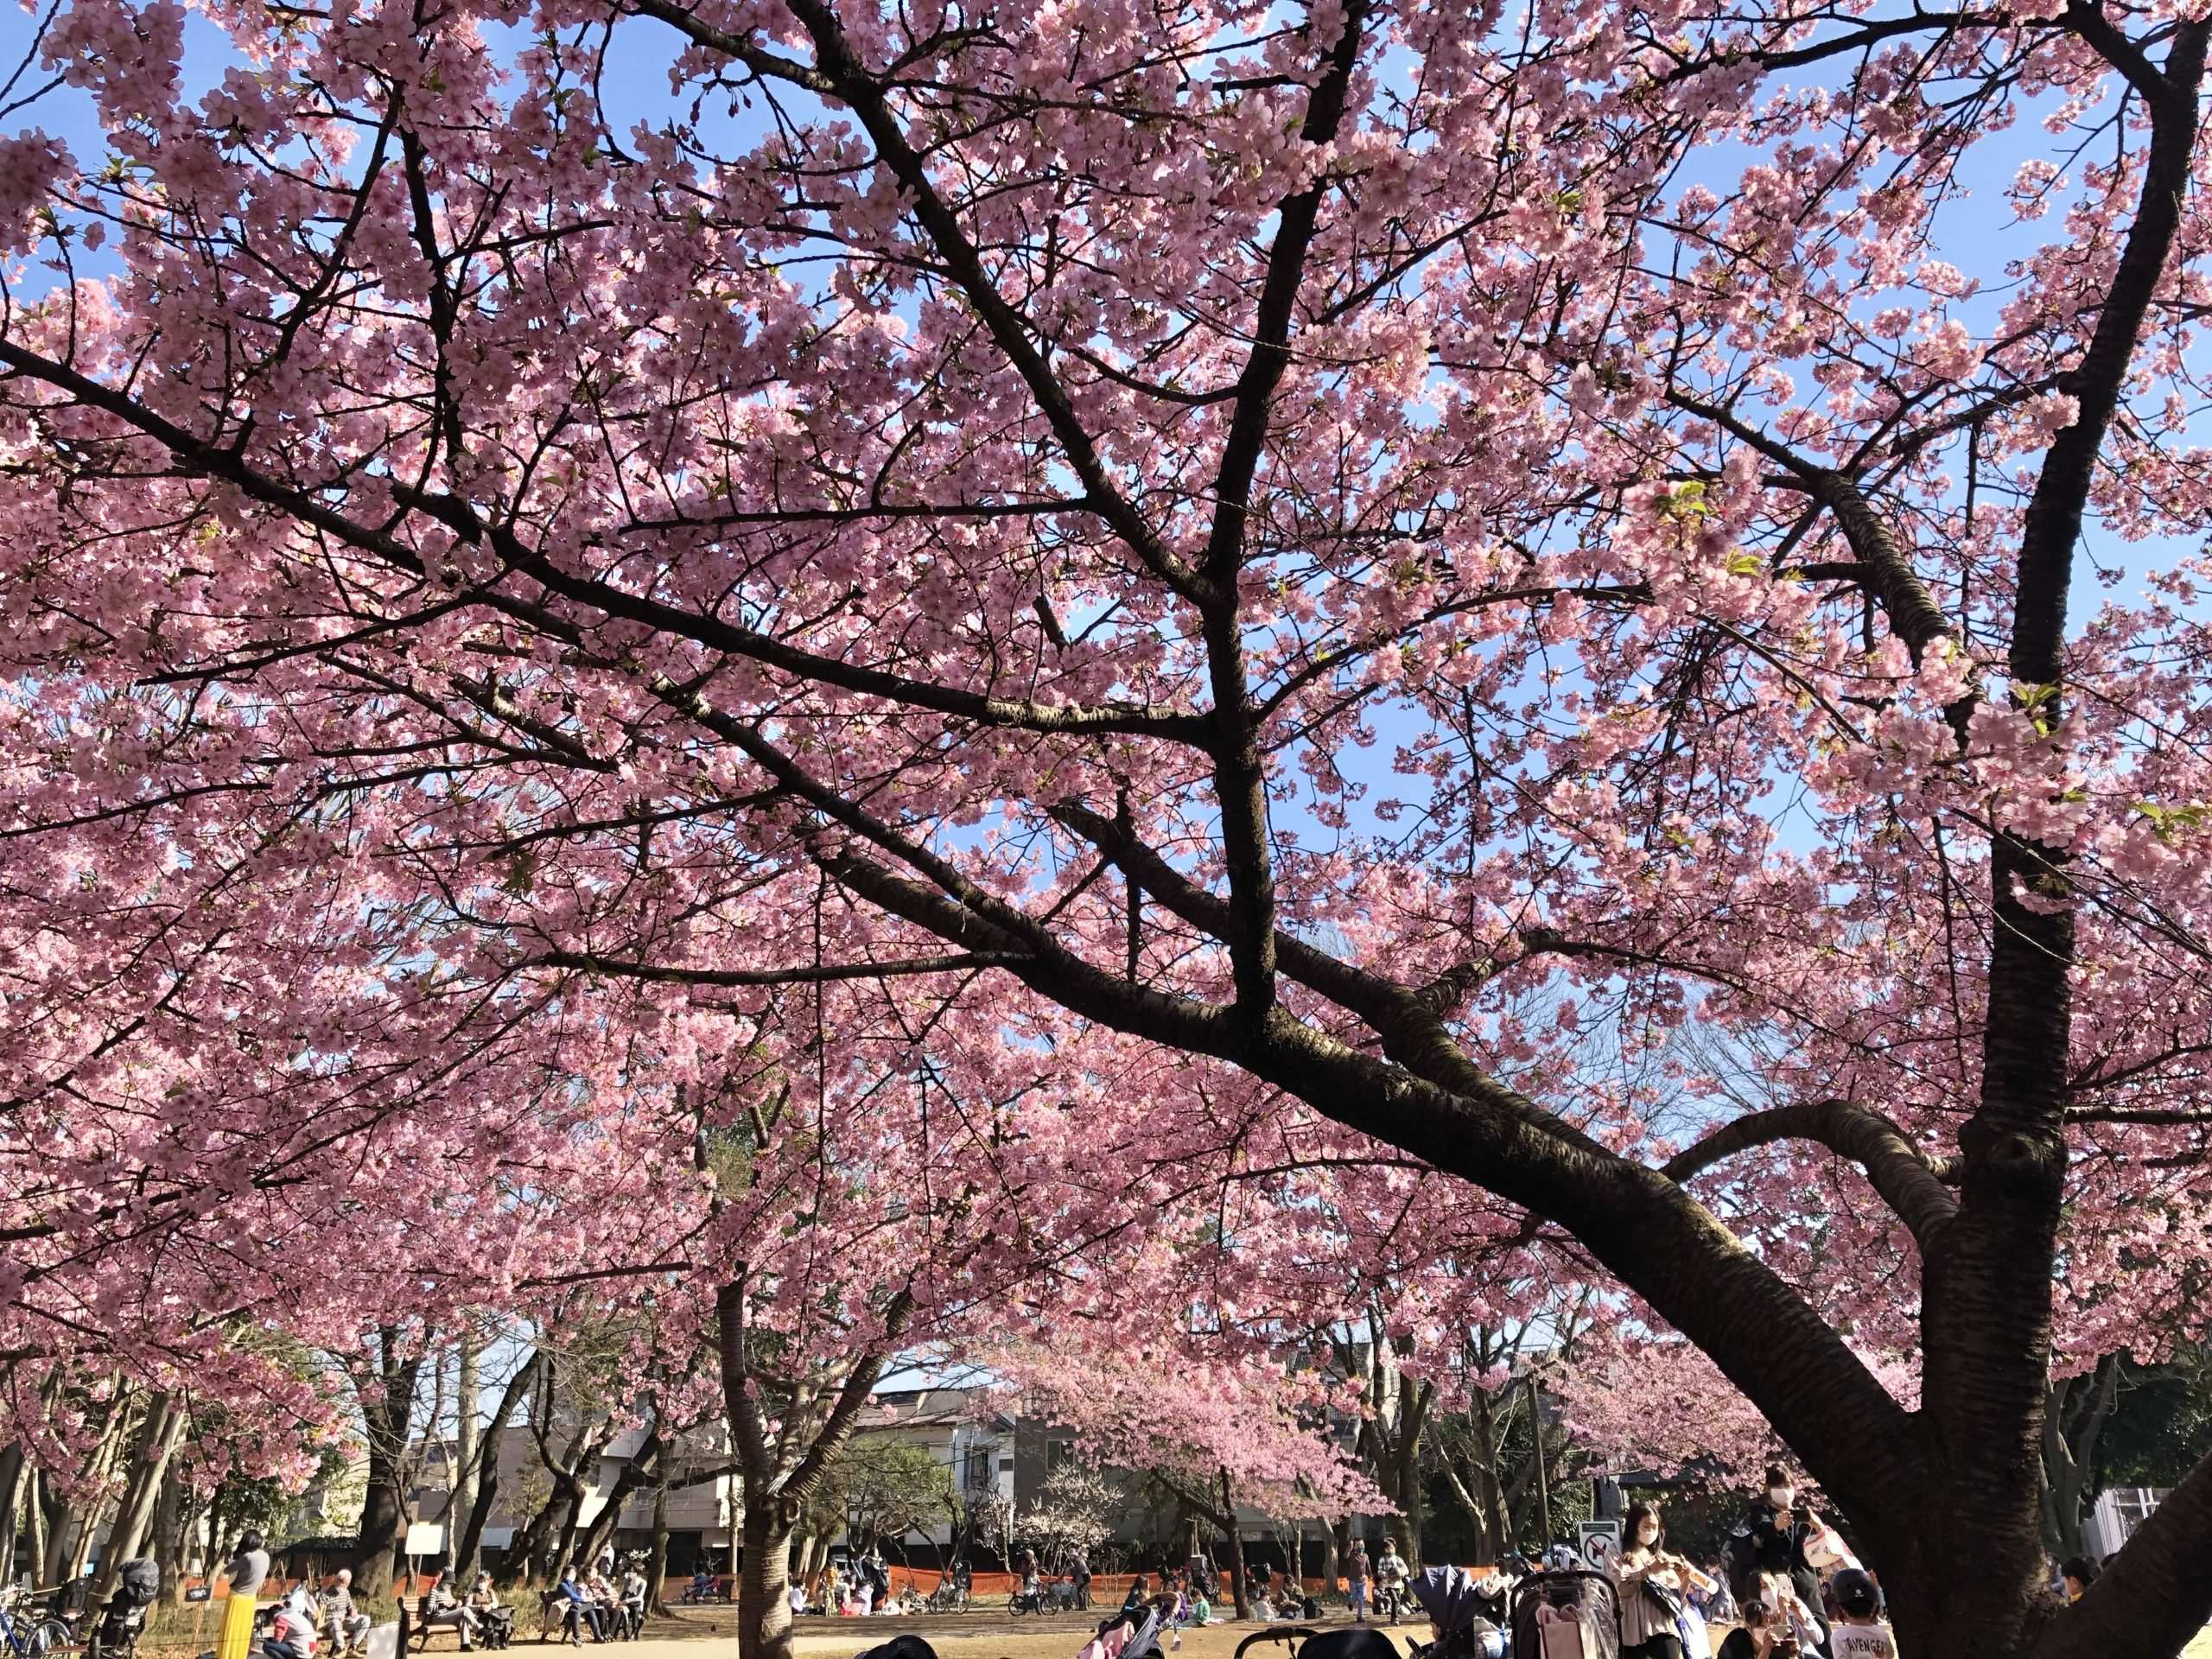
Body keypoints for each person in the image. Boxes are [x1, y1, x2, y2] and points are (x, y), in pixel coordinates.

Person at [1610, 1503, 1708, 1659]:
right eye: (1646, 1526)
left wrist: (1686, 1579)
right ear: (1634, 1525)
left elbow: (1676, 1601)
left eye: (1655, 1527)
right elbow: (1620, 1590)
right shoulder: (1616, 1550)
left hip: (1663, 1627)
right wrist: (1648, 1571)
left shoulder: (1661, 1556)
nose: (1651, 1531)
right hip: (1630, 1631)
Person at [1729, 1465, 1821, 1614]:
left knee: (1818, 1629)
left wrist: (1818, 1525)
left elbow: (1824, 1548)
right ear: (1768, 1489)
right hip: (1773, 1582)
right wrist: (1775, 1527)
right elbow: (1754, 1535)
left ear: (1795, 1487)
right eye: (1777, 1486)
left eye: (1787, 1485)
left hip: (1806, 1584)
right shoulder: (1760, 1513)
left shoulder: (1803, 1516)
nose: (1783, 1490)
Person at [1825, 1569, 1894, 1659]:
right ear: (1874, 1606)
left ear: (1841, 1608)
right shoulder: (1883, 1635)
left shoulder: (1839, 1636)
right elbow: (1890, 1656)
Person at [317, 1570, 372, 1659]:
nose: (344, 1586)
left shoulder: (345, 1592)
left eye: (347, 1584)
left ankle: (352, 1648)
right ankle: (341, 1649)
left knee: (366, 1620)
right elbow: (321, 1612)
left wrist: (353, 1609)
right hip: (331, 1621)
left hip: (345, 1620)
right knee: (336, 1623)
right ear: (336, 1580)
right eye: (343, 1583)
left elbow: (350, 1605)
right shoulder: (326, 1593)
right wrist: (337, 1618)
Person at [226, 1531, 272, 1600]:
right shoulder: (265, 1557)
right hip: (252, 1598)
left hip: (237, 1597)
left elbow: (231, 1580)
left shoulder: (245, 1558)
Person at [1373, 1537, 1408, 1623]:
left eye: (1392, 1548)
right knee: (1395, 1600)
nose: (1391, 1550)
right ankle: (1396, 1619)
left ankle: (1393, 1618)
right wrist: (1388, 1575)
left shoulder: (1398, 1559)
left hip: (1398, 1584)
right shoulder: (1382, 1559)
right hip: (1388, 1584)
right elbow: (1379, 1572)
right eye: (1388, 1548)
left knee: (1396, 1602)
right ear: (1385, 1549)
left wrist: (1401, 1574)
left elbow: (1406, 1570)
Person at [618, 1565, 647, 1639]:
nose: (631, 1573)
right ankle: (625, 1632)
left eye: (633, 1571)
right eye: (631, 1571)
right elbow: (622, 1593)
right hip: (626, 1603)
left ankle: (634, 1631)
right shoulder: (627, 1581)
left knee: (636, 1610)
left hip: (636, 1603)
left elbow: (639, 1597)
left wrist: (627, 1601)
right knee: (623, 1611)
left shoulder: (643, 1582)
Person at [1345, 1541, 1370, 1623]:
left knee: (1361, 1599)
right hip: (1353, 1581)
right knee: (1355, 1597)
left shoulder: (1366, 1556)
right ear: (1355, 1547)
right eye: (1358, 1545)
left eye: (1362, 1545)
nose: (1360, 1547)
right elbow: (1345, 1556)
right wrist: (1349, 1548)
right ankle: (1351, 1603)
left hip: (1362, 1582)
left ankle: (1360, 1616)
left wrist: (1370, 1575)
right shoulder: (1353, 1556)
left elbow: (1368, 1567)